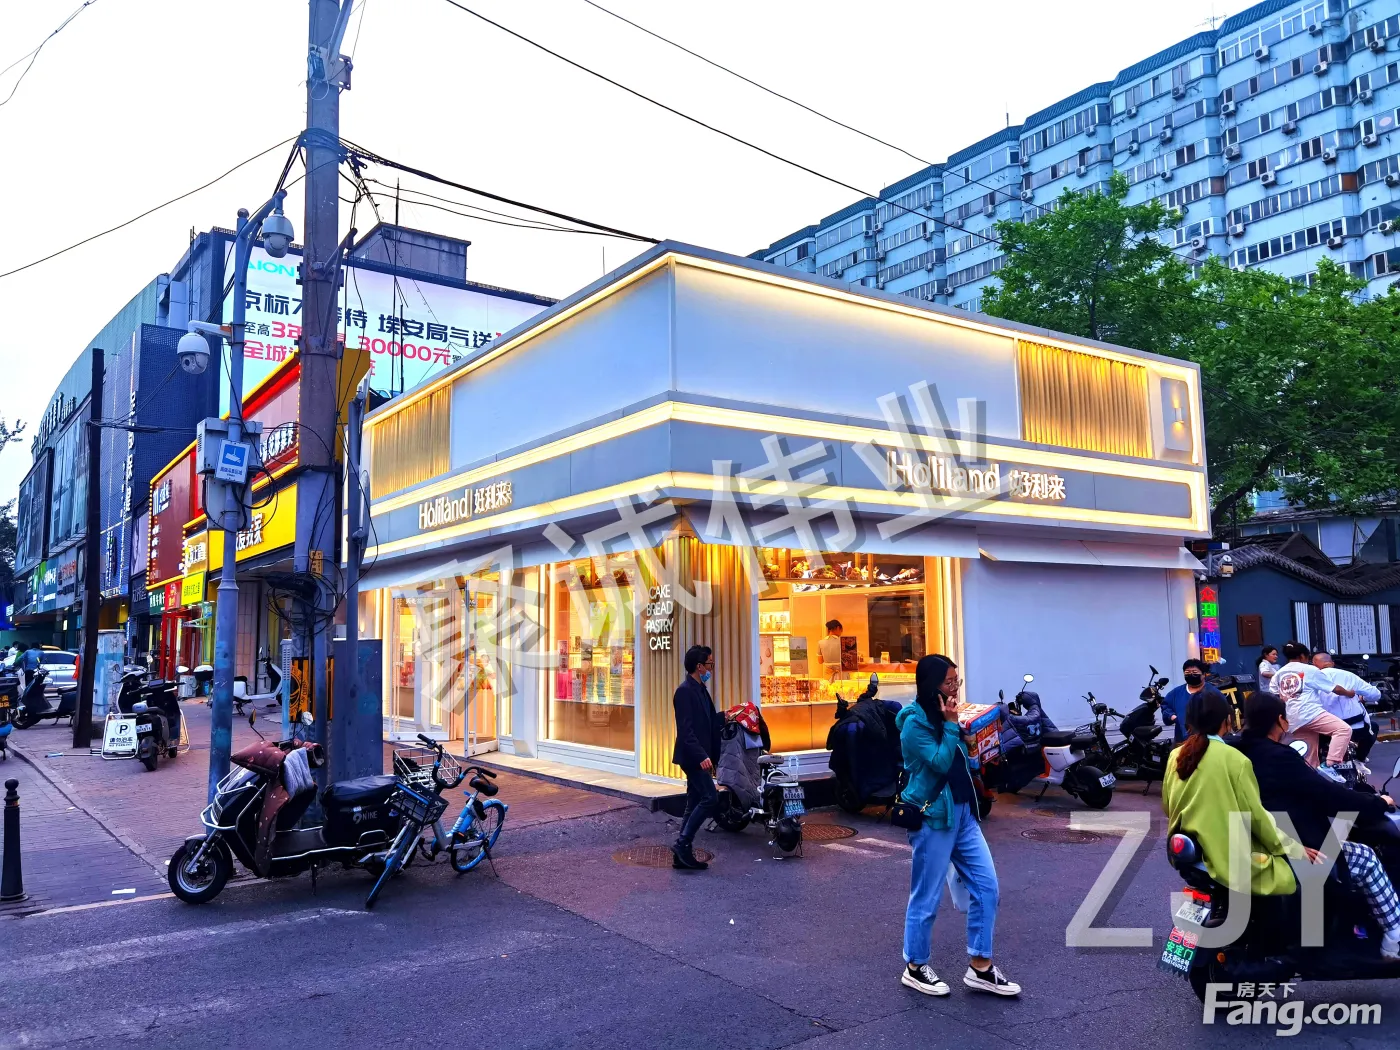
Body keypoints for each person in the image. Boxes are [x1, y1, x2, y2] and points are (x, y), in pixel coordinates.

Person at [1232, 690, 1400, 960]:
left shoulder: (1239, 752)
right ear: (1280, 721)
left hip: (1259, 839)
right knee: (1367, 858)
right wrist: (1377, 803)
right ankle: (1394, 938)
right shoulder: (1278, 757)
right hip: (1296, 842)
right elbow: (1327, 796)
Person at [896, 653, 1020, 998]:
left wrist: (978, 743)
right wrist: (952, 725)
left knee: (987, 888)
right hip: (934, 818)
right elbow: (938, 761)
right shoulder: (914, 724)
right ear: (930, 686)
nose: (954, 688)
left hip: (964, 814)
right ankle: (915, 967)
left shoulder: (950, 717)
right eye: (949, 682)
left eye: (956, 681)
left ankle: (980, 966)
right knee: (926, 896)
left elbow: (960, 762)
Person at [1162, 690, 1318, 898]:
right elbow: (1256, 817)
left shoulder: (1176, 755)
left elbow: (1168, 805)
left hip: (1186, 854)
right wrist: (1294, 848)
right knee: (1299, 877)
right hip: (1227, 859)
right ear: (1227, 721)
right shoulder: (1235, 759)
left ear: (1188, 722)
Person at [671, 644, 720, 871]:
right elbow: (686, 730)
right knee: (710, 797)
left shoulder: (701, 689)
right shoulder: (684, 692)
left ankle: (681, 853)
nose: (711, 668)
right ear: (699, 666)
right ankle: (682, 844)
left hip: (702, 755)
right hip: (692, 756)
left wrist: (729, 716)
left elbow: (708, 721)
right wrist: (701, 755)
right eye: (709, 664)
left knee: (693, 801)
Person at [1269, 642, 1352, 769]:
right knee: (1343, 730)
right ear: (1303, 656)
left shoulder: (1278, 674)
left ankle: (1310, 775)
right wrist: (1349, 693)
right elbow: (1335, 689)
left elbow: (1274, 696)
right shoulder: (1310, 670)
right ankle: (1331, 765)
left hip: (1291, 719)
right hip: (1310, 714)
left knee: (1308, 754)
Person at [1311, 652, 1381, 760]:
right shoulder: (1349, 676)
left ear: (1314, 665)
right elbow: (1375, 694)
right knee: (1373, 727)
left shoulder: (1310, 679)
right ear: (1332, 663)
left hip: (1326, 730)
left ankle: (1318, 761)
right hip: (1356, 729)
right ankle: (1360, 759)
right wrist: (1363, 698)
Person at [1161, 659, 1227, 744]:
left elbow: (1223, 713)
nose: (1191, 675)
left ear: (1203, 674)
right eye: (1187, 673)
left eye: (1195, 673)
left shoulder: (1214, 693)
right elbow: (1166, 707)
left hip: (1209, 741)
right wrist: (1172, 716)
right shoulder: (1176, 693)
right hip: (1182, 741)